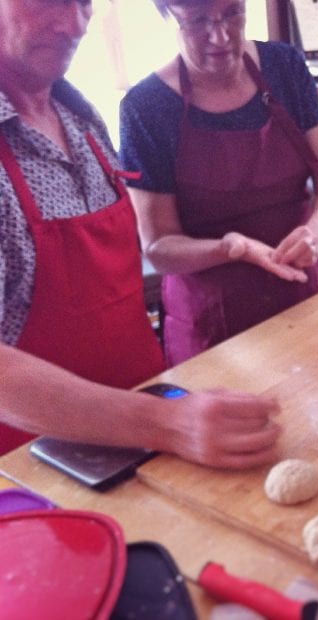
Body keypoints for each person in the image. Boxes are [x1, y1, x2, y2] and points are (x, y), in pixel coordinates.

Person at [0, 0, 280, 469]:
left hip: (146, 433)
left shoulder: (81, 118)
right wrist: (164, 423)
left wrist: (168, 418)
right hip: (32, 473)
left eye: (84, 2)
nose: (74, 25)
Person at [119, 0, 318, 365]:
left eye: (232, 13)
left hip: (300, 294)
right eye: (197, 21)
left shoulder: (283, 67)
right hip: (212, 322)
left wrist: (316, 231)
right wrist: (231, 248)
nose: (220, 35)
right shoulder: (146, 108)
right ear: (167, 16)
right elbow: (159, 247)